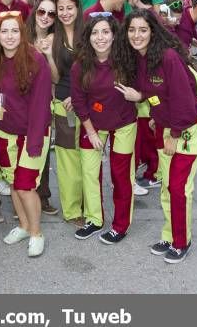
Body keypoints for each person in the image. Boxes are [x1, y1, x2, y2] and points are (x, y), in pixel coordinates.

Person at [114, 9, 197, 263]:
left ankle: (181, 241)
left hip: (185, 129)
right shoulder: (139, 57)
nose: (136, 35)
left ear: (153, 31)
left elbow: (183, 99)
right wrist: (144, 99)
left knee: (178, 188)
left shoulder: (168, 57)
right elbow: (157, 91)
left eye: (143, 30)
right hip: (166, 127)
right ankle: (170, 234)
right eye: (132, 30)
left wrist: (174, 134)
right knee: (167, 187)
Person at [0, 11, 52, 257]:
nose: (10, 36)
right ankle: (24, 226)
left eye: (15, 31)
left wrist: (34, 142)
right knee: (14, 183)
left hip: (32, 134)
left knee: (25, 185)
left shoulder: (36, 60)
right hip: (5, 133)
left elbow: (41, 105)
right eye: (4, 31)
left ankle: (36, 232)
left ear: (22, 33)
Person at [70, 15, 139, 243]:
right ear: (88, 37)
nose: (100, 38)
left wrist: (139, 96)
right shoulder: (80, 65)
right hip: (93, 124)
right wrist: (89, 131)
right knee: (89, 172)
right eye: (95, 33)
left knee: (121, 176)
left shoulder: (127, 60)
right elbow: (79, 102)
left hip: (124, 124)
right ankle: (94, 219)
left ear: (114, 35)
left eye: (105, 32)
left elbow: (144, 87)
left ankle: (120, 224)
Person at [46, 0, 84, 226]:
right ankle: (72, 211)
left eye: (69, 7)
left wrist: (79, 95)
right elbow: (54, 77)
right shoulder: (52, 38)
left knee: (89, 160)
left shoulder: (89, 32)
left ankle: (90, 205)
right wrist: (48, 55)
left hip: (88, 103)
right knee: (68, 162)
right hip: (63, 105)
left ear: (78, 8)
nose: (65, 13)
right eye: (61, 9)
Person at [26, 0, 60, 216]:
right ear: (35, 12)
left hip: (45, 101)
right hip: (22, 100)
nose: (46, 17)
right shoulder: (20, 35)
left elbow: (56, 78)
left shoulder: (56, 39)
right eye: (42, 12)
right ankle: (24, 193)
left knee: (43, 150)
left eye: (51, 14)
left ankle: (42, 195)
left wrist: (47, 55)